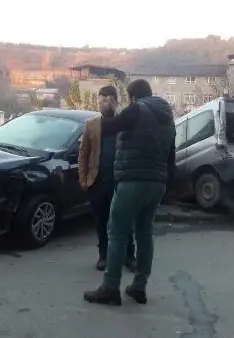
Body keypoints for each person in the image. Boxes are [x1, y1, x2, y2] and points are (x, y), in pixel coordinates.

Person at [83, 79, 176, 306]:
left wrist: (105, 110)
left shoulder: (137, 109)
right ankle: (139, 286)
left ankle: (110, 287)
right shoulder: (168, 118)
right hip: (157, 183)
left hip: (133, 181)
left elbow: (109, 127)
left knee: (117, 232)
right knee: (144, 233)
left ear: (132, 96)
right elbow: (171, 158)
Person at [78, 85, 136, 272]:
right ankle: (103, 255)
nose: (104, 104)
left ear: (115, 101)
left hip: (120, 181)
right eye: (101, 100)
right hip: (98, 181)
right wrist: (83, 178)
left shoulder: (124, 123)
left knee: (123, 220)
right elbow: (83, 153)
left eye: (108, 99)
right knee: (101, 220)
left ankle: (129, 256)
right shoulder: (92, 125)